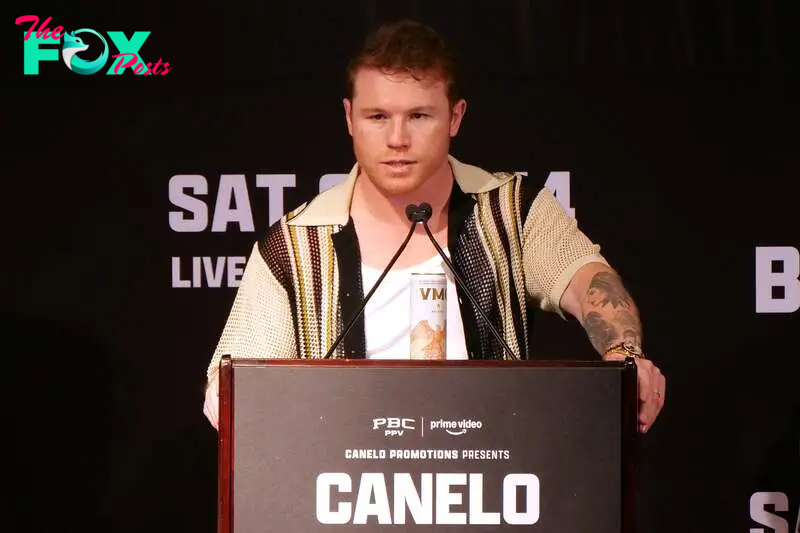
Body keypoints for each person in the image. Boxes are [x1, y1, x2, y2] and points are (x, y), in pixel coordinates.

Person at [202, 19, 665, 433]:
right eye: (377, 117)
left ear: (455, 117)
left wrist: (627, 356)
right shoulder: (296, 245)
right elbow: (231, 386)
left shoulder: (511, 210)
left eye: (419, 116)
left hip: (490, 485)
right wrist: (232, 400)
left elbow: (589, 280)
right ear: (348, 118)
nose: (397, 139)